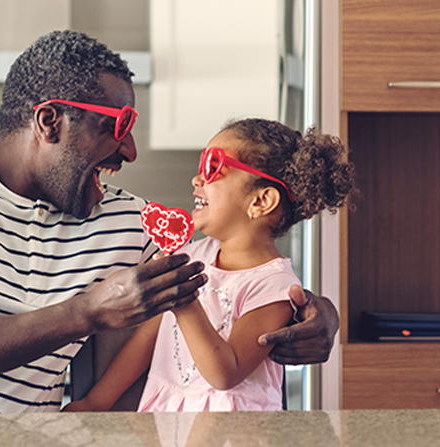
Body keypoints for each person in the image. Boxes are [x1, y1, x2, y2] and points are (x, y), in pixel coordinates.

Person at [0, 30, 338, 415]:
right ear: (50, 121)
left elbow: (241, 269)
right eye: (117, 127)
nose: (131, 151)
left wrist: (318, 315)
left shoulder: (126, 223)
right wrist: (86, 311)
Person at [63, 118, 355, 412]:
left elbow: (226, 373)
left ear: (261, 201)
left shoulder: (274, 287)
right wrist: (96, 401)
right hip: (166, 416)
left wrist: (183, 300)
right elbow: (147, 336)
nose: (197, 179)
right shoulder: (192, 255)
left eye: (213, 167)